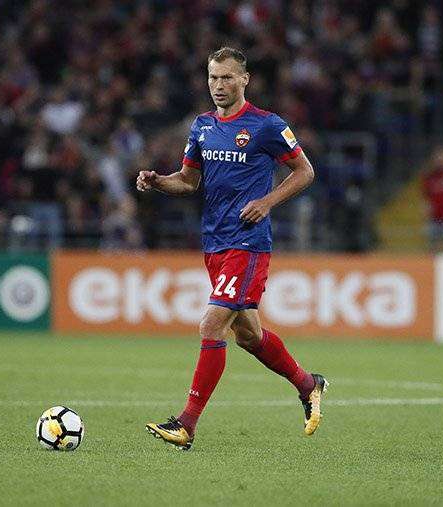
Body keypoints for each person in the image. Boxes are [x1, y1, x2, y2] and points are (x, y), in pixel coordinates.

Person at [136, 47, 326, 450]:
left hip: (248, 242)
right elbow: (188, 181)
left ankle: (186, 424)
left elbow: (305, 171)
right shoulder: (202, 126)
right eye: (213, 78)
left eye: (226, 77)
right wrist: (158, 182)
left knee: (211, 324)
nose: (218, 85)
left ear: (244, 80)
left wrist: (267, 201)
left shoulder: (267, 125)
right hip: (215, 242)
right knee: (248, 335)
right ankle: (308, 384)